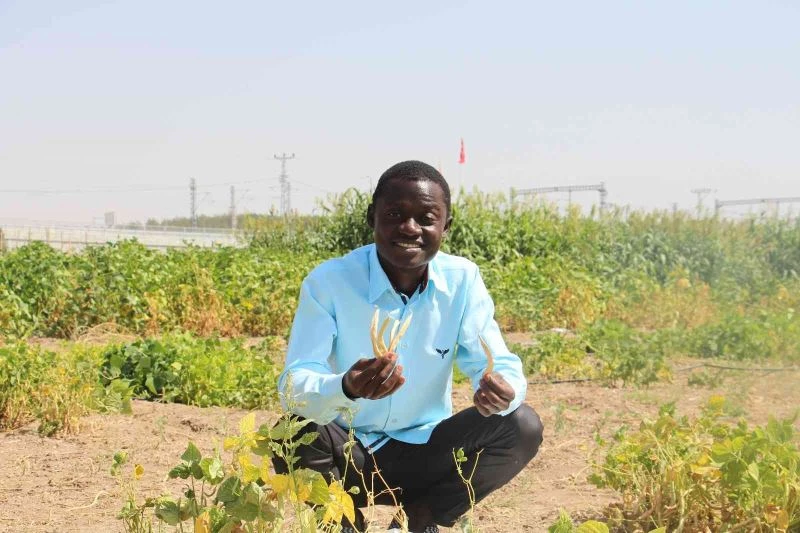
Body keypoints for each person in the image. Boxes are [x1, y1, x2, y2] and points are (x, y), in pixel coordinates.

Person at [274, 160, 543, 533]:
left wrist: (500, 389)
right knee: (292, 430)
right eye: (395, 214)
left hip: (425, 454)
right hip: (348, 454)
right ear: (372, 217)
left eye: (426, 218)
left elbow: (496, 362)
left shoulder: (462, 281)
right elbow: (294, 384)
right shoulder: (330, 282)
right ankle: (343, 523)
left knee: (521, 424)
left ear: (446, 226)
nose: (409, 228)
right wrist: (346, 387)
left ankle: (420, 517)